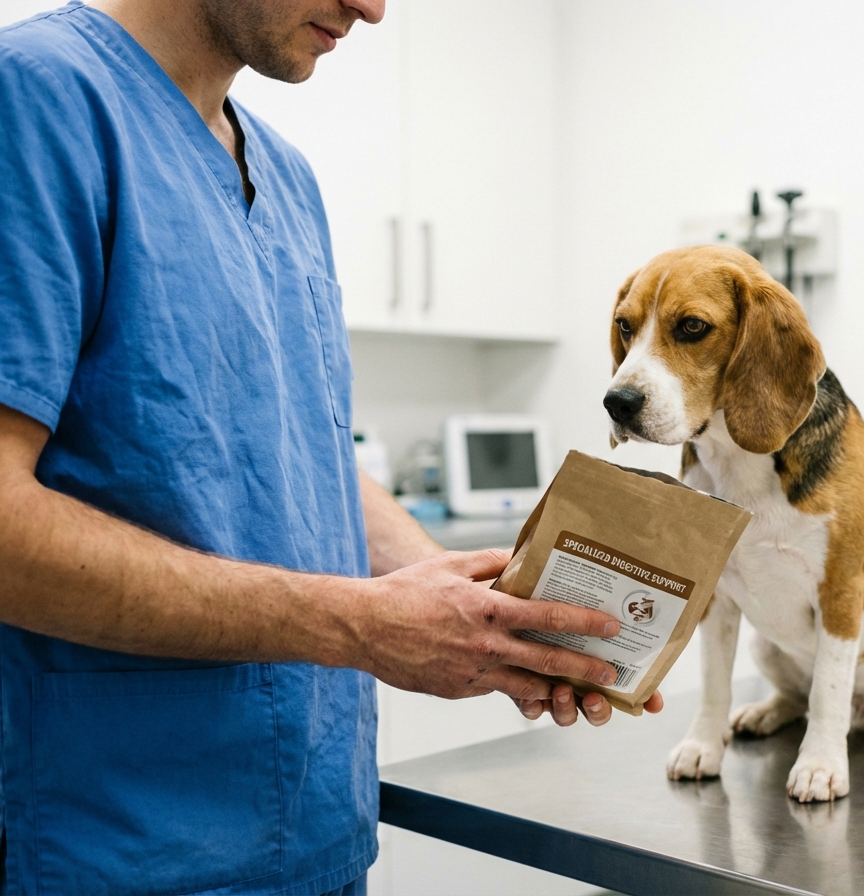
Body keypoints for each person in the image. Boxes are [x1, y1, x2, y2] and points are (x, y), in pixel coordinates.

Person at [0, 1, 662, 892]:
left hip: (319, 838)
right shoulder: (37, 102)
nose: (373, 7)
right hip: (123, 843)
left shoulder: (289, 177)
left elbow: (298, 451)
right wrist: (360, 624)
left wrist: (486, 618)